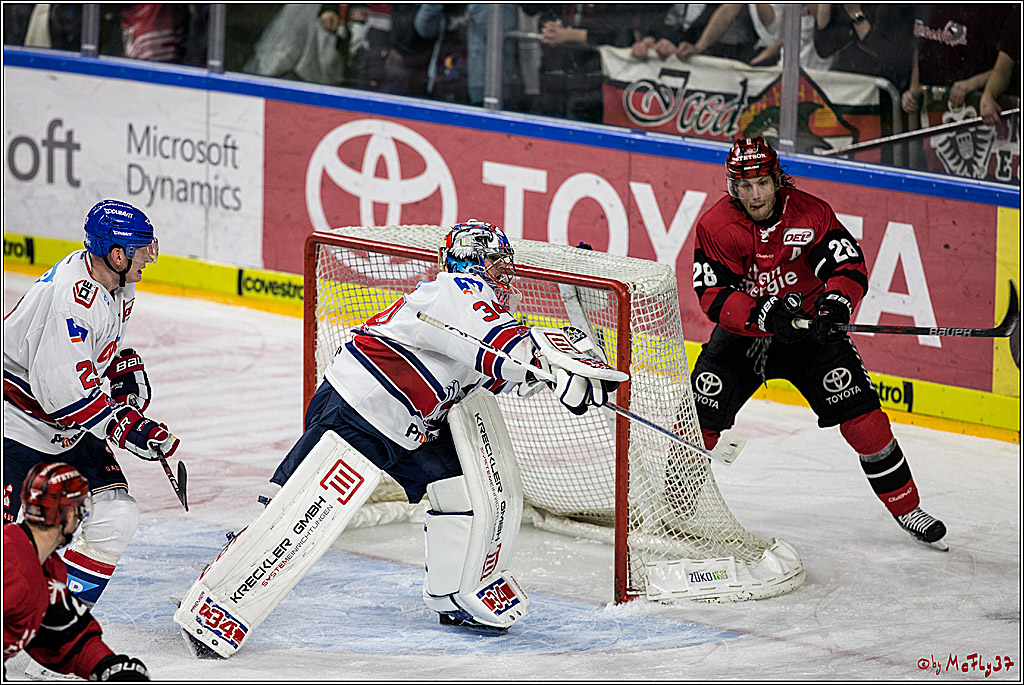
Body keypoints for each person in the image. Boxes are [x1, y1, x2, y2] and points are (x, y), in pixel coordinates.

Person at [175, 220, 622, 656]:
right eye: (497, 266)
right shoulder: (454, 291)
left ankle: (456, 594)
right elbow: (503, 347)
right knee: (293, 510)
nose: (505, 277)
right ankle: (221, 594)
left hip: (413, 427)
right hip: (360, 410)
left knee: (462, 491)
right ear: (472, 263)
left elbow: (503, 372)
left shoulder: (474, 314)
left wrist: (563, 376)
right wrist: (550, 360)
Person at [689, 137, 947, 549]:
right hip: (743, 339)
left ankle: (908, 508)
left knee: (867, 423)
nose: (755, 195)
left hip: (809, 335)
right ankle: (670, 510)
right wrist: (762, 313)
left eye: (762, 183)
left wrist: (835, 304)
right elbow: (713, 294)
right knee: (697, 426)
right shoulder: (716, 226)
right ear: (732, 186)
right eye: (744, 185)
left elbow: (846, 264)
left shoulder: (812, 213)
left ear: (777, 180)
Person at [3, 199, 181, 608]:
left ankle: (60, 623)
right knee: (16, 546)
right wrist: (126, 427)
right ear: (117, 254)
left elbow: (85, 355)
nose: (146, 261)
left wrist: (118, 368)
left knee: (116, 515)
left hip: (63, 424)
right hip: (17, 422)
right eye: (140, 252)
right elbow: (63, 396)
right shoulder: (72, 301)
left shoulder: (118, 282)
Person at [4, 461, 149, 681]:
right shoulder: (12, 568)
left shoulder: (45, 570)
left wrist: (107, 667)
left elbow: (65, 636)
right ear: (68, 515)